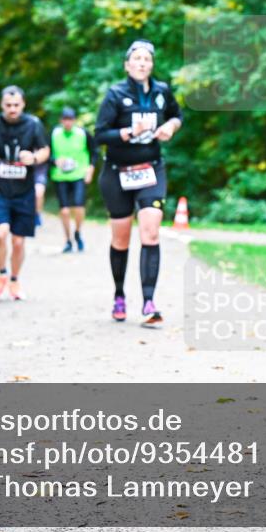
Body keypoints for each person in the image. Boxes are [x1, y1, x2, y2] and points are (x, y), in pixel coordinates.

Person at [94, 39, 182, 327]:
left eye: (147, 59)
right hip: (118, 172)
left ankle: (148, 302)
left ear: (152, 64)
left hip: (150, 170)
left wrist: (170, 126)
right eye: (137, 58)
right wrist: (129, 132)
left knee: (151, 232)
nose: (142, 63)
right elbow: (100, 134)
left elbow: (176, 115)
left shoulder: (162, 91)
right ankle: (119, 295)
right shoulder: (115, 94)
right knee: (120, 238)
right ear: (127, 64)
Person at [0, 86, 50, 300]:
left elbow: (45, 150)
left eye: (16, 105)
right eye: (8, 105)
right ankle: (1, 273)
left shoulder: (34, 124)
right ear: (1, 105)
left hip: (24, 191)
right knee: (0, 232)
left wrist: (34, 158)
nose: (12, 109)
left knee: (18, 241)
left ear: (23, 104)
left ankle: (15, 280)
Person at [50, 107, 97, 253]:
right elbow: (45, 152)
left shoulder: (83, 133)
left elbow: (94, 152)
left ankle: (77, 232)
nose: (68, 123)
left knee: (79, 207)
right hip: (60, 176)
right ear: (61, 121)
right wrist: (55, 161)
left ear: (74, 120)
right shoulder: (54, 134)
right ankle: (68, 239)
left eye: (70, 119)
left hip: (78, 175)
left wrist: (90, 169)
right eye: (65, 120)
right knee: (64, 211)